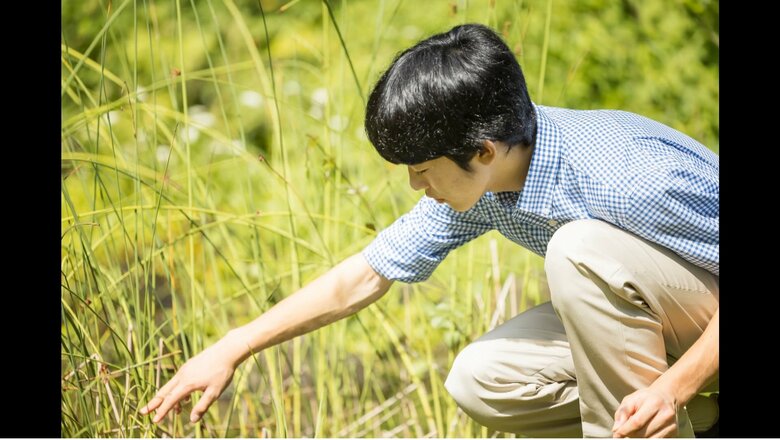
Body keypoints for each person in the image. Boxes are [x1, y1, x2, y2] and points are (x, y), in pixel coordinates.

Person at [140, 23, 718, 438]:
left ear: (483, 150)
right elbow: (366, 275)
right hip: (669, 322)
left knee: (577, 248)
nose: (416, 185)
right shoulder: (492, 180)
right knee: (480, 379)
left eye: (422, 169)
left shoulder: (629, 175)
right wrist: (234, 346)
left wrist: (674, 388)